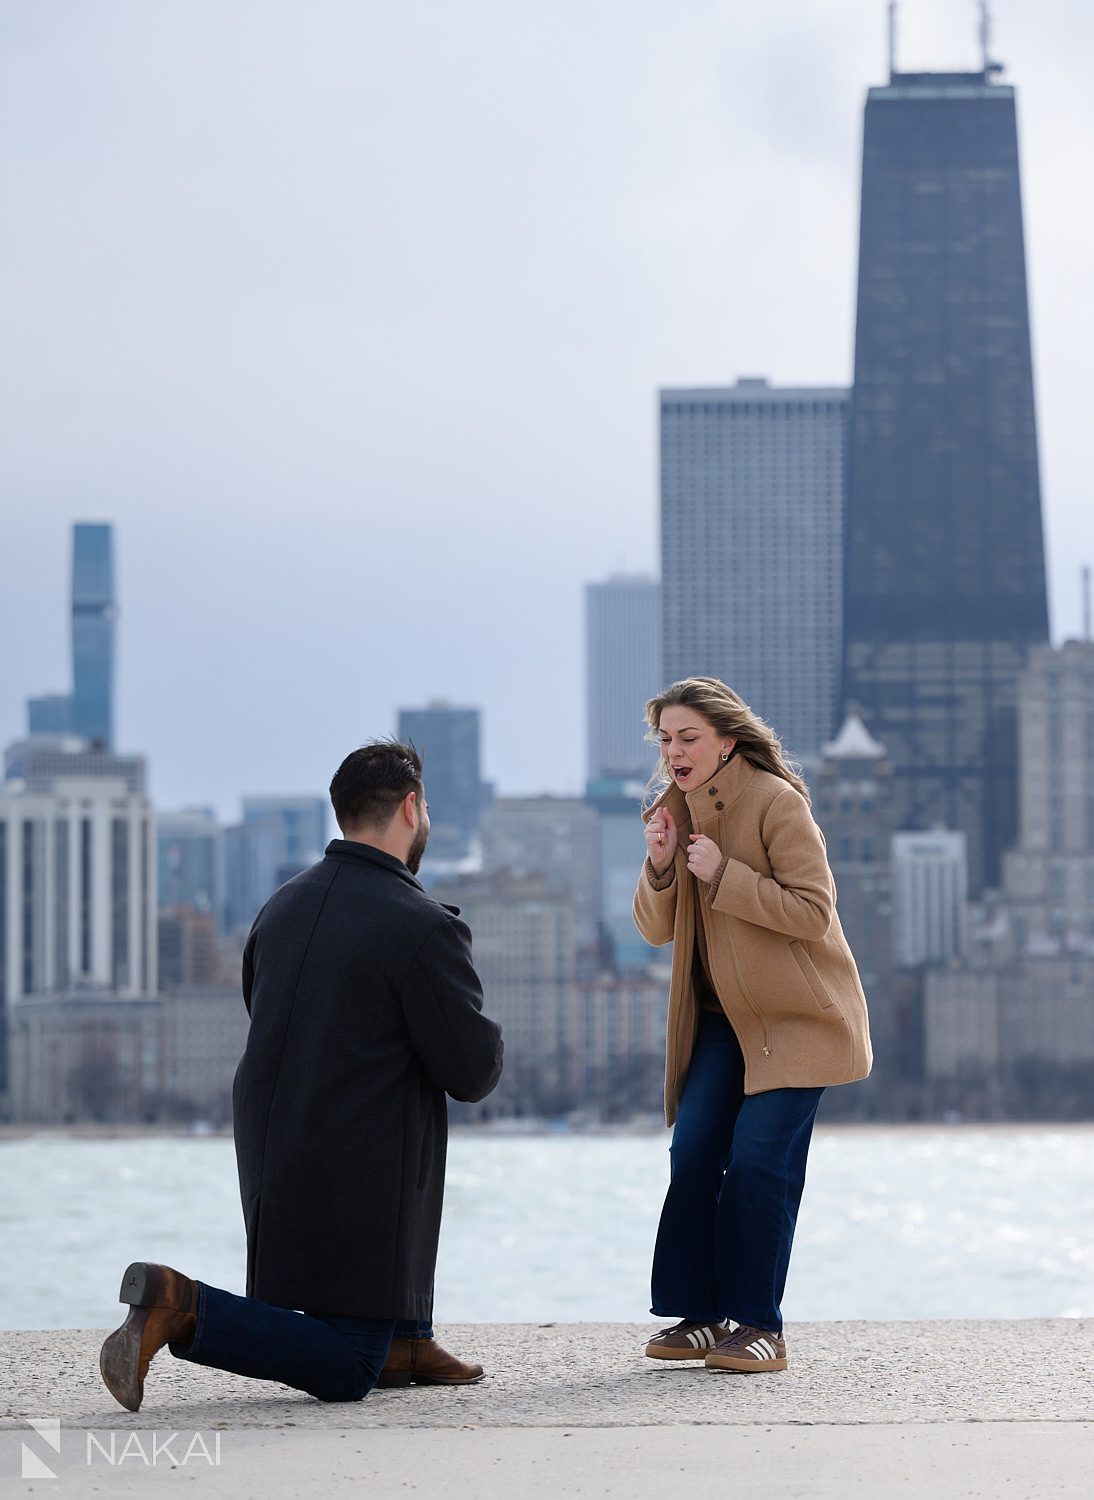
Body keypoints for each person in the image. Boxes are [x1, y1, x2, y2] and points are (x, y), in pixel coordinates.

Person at [100, 740, 503, 1411]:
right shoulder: (422, 926)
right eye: (424, 805)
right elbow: (471, 1071)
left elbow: (274, 1015)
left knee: (363, 1343)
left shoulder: (279, 908)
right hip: (357, 1174)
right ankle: (183, 1307)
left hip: (274, 1160)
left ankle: (408, 1338)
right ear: (412, 807)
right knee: (348, 1367)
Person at [634, 678, 871, 1374]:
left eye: (688, 737)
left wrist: (724, 873)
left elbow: (811, 913)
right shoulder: (671, 811)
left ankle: (760, 1325)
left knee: (761, 1165)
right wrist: (660, 866)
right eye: (666, 739)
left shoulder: (776, 802)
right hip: (719, 1024)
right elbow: (653, 931)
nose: (674, 751)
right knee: (694, 1155)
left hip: (796, 1022)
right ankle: (700, 1317)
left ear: (726, 740)